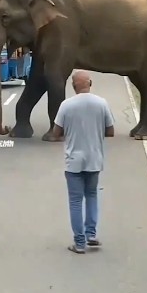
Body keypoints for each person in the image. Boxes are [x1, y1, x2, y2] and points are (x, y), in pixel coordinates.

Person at [51, 70, 115, 254]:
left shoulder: (66, 105)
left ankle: (79, 243)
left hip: (73, 162)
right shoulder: (101, 103)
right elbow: (110, 131)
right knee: (92, 195)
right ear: (91, 83)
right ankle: (91, 234)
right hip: (94, 159)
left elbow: (56, 133)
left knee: (76, 201)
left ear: (73, 86)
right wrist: (94, 131)